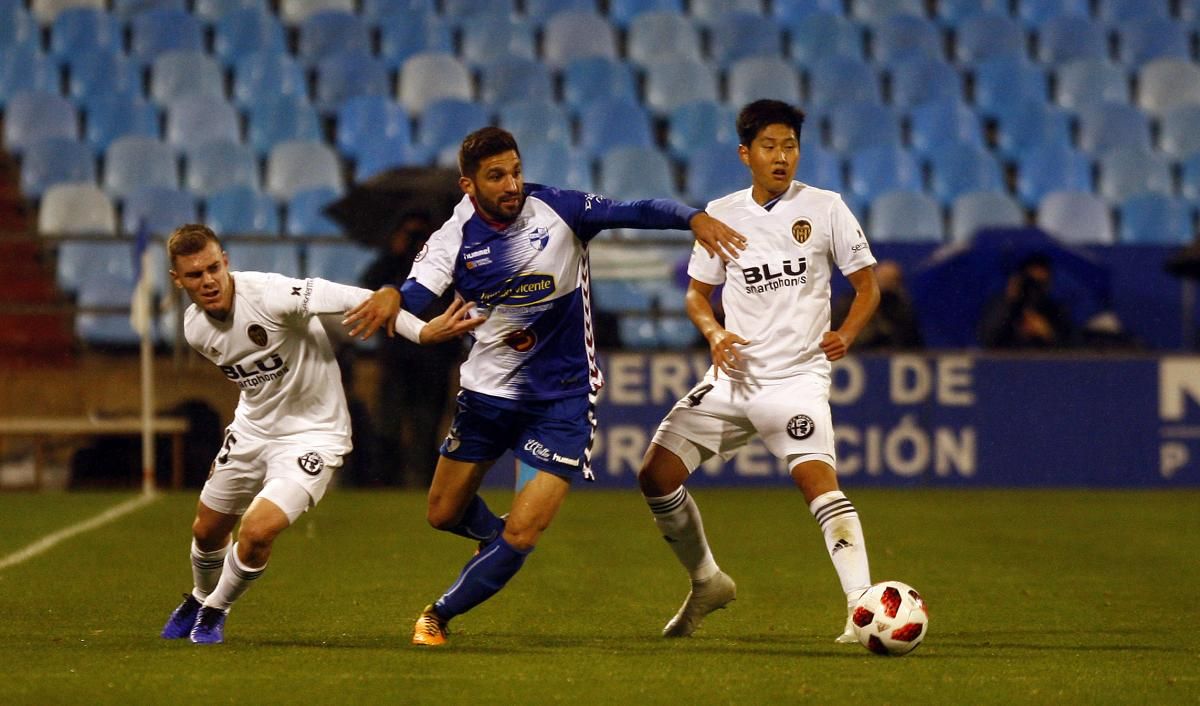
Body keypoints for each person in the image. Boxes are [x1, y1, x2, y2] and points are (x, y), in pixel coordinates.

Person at [343, 126, 746, 646]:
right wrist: (392, 297)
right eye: (496, 176)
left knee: (526, 531)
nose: (512, 184)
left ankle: (437, 616)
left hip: (561, 399)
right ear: (469, 185)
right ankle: (494, 541)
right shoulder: (452, 237)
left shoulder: (559, 210)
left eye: (515, 171)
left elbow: (636, 209)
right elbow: (418, 292)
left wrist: (691, 217)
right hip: (487, 395)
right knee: (442, 513)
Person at [158, 224, 481, 644]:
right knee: (206, 530)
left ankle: (215, 611)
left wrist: (420, 331)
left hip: (313, 435)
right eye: (195, 275)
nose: (208, 281)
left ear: (226, 262)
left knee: (258, 531)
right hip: (252, 429)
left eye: (214, 268)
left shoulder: (270, 295)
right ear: (177, 280)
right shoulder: (194, 329)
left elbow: (353, 298)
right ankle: (200, 597)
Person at [635, 100, 881, 642]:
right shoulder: (721, 214)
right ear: (746, 154)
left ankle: (860, 605)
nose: (781, 156)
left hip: (795, 380)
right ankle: (707, 581)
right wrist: (715, 333)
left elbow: (868, 285)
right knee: (655, 475)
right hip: (731, 380)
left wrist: (848, 332)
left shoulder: (825, 208)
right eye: (769, 146)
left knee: (818, 483)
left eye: (790, 145)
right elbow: (697, 296)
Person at [361, 211, 461, 487]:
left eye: (421, 235)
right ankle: (384, 482)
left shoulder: (446, 262)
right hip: (396, 356)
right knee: (387, 423)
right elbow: (369, 287)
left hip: (435, 359)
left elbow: (461, 300)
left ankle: (424, 483)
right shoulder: (390, 264)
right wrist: (396, 254)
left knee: (427, 425)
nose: (417, 240)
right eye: (411, 234)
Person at [978, 252, 1074, 348]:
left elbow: (1072, 347)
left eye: (1041, 283)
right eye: (1032, 281)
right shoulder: (1002, 305)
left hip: (1042, 361)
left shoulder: (1055, 310)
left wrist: (1047, 332)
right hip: (1008, 360)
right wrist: (1009, 301)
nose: (1036, 287)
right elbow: (987, 339)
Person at [832, 259, 922, 349]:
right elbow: (836, 329)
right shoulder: (850, 302)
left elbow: (910, 340)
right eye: (882, 279)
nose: (885, 284)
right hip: (854, 352)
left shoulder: (900, 308)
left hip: (891, 352)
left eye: (890, 280)